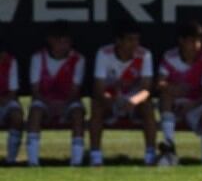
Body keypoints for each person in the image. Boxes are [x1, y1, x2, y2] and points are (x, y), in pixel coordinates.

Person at [89, 19, 156, 167]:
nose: (134, 44)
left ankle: (151, 154)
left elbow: (146, 89)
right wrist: (113, 101)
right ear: (118, 41)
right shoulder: (103, 54)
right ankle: (95, 155)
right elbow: (99, 89)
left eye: (137, 39)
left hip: (133, 101)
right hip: (111, 99)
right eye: (130, 40)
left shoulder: (144, 55)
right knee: (96, 105)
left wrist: (133, 101)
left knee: (148, 107)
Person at [156, 19, 202, 166]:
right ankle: (169, 148)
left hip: (197, 104)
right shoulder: (169, 57)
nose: (196, 45)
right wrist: (173, 88)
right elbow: (159, 83)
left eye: (199, 41)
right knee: (165, 97)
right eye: (192, 41)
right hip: (175, 104)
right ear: (181, 41)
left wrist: (191, 105)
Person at [26, 21, 86, 166]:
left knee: (78, 113)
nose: (63, 45)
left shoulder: (78, 59)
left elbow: (75, 89)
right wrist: (49, 104)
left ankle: (76, 162)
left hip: (68, 102)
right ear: (50, 40)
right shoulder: (38, 58)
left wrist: (63, 105)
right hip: (44, 101)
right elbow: (35, 89)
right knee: (35, 111)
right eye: (59, 41)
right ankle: (33, 162)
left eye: (66, 41)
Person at [0, 37, 24, 164]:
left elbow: (13, 91)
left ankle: (11, 159)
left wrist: (4, 100)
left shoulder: (10, 61)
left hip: (6, 101)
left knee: (17, 116)